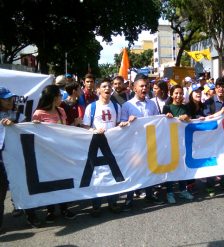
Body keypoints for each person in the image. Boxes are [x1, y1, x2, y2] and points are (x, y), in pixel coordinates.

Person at [81, 78, 127, 217]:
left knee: (111, 174)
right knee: (97, 175)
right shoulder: (92, 107)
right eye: (104, 86)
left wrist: (122, 125)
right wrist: (94, 131)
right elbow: (85, 127)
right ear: (98, 90)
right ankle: (96, 205)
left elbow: (118, 124)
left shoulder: (116, 106)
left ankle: (113, 201)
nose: (107, 88)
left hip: (111, 146)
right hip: (96, 146)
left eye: (109, 86)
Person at [32, 85, 77, 223]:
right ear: (53, 97)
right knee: (50, 182)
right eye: (59, 95)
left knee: (63, 182)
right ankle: (50, 210)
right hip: (47, 155)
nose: (61, 98)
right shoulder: (38, 113)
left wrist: (75, 124)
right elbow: (33, 134)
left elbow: (65, 130)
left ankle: (64, 208)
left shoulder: (61, 110)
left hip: (62, 153)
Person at [120, 74, 165, 210]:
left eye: (146, 86)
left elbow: (158, 120)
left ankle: (150, 195)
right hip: (134, 145)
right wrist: (128, 122)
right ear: (134, 88)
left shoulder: (152, 104)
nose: (145, 88)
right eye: (141, 86)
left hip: (149, 143)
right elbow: (120, 125)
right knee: (133, 172)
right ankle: (129, 198)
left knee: (150, 170)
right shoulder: (127, 105)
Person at [0, 87, 42, 231]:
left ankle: (31, 215)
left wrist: (33, 125)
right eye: (6, 99)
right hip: (1, 160)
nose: (10, 101)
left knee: (25, 187)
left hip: (17, 157)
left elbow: (28, 130)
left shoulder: (18, 115)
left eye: (11, 98)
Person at [162, 85, 194, 204]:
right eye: (176, 93)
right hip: (170, 142)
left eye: (180, 93)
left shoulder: (186, 108)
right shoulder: (167, 108)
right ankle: (170, 192)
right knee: (170, 167)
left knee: (182, 166)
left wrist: (187, 117)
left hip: (183, 142)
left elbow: (191, 120)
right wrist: (168, 117)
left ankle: (182, 190)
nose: (178, 96)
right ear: (171, 94)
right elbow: (162, 122)